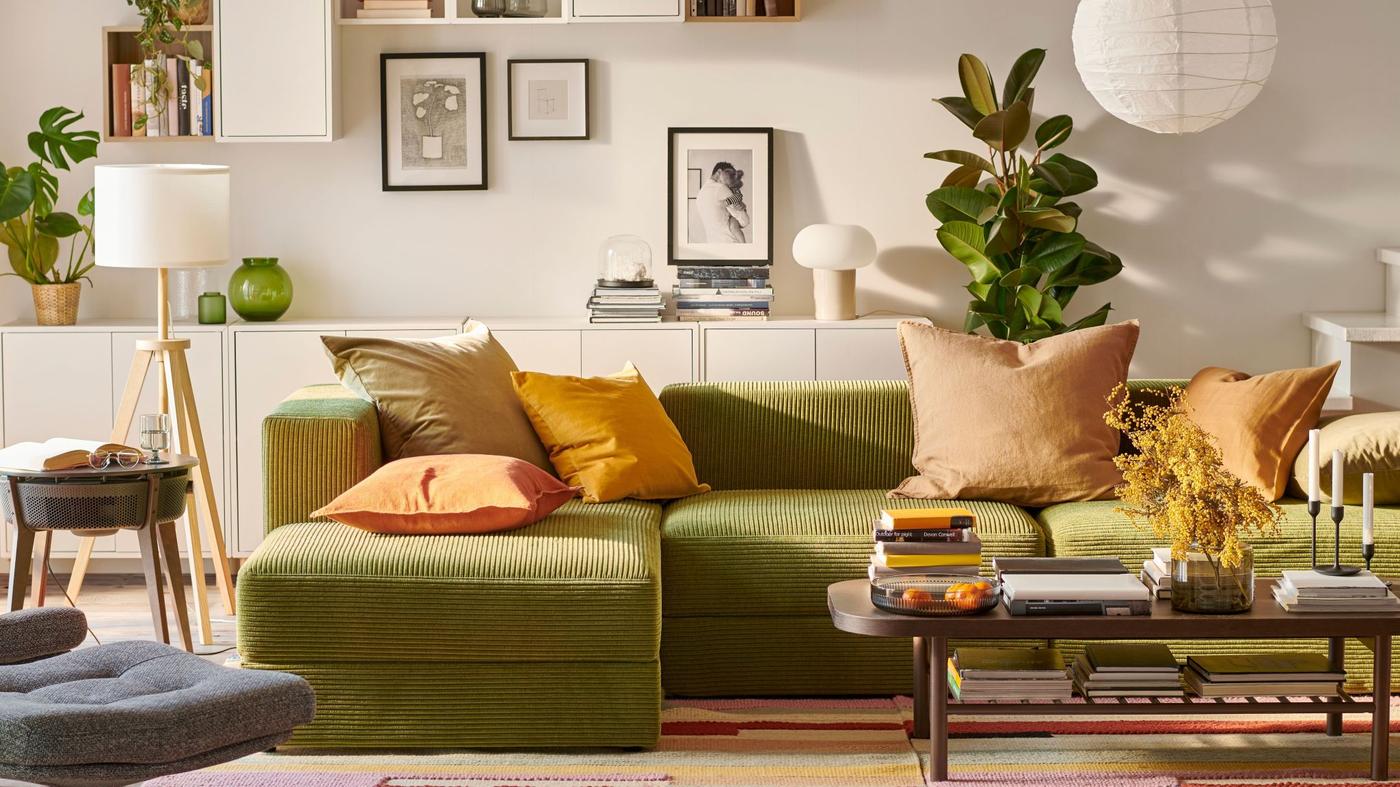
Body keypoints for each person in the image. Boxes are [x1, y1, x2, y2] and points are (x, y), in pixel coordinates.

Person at [694, 162, 750, 243]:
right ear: (719, 172)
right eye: (730, 174)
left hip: (712, 243)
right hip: (730, 243)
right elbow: (745, 221)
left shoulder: (700, 193)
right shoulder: (721, 188)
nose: (732, 178)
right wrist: (743, 209)